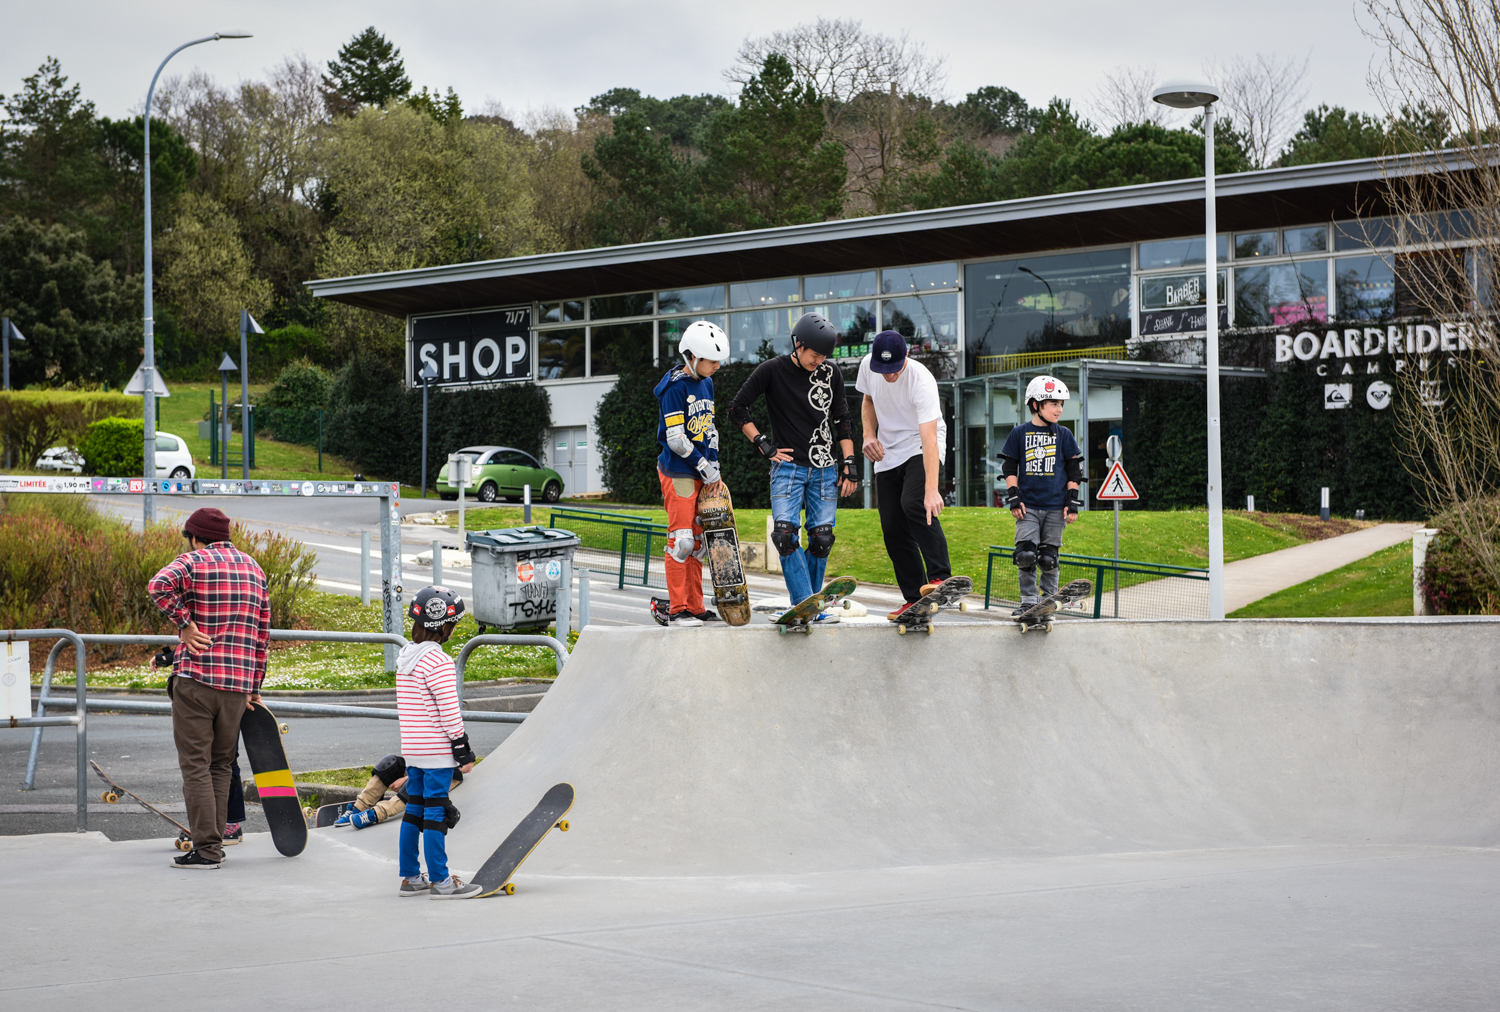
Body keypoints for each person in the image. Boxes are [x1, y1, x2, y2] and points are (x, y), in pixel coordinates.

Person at [148, 506, 270, 870]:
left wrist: (184, 624)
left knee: (196, 767)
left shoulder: (193, 561)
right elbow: (263, 636)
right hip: (237, 688)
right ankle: (215, 844)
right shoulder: (254, 569)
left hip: (196, 681)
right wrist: (255, 686)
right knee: (220, 765)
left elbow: (158, 585)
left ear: (195, 536)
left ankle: (206, 850)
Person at [727, 312, 859, 617]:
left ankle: (809, 606)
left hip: (825, 468)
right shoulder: (772, 370)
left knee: (822, 539)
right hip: (787, 468)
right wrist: (763, 444)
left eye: (824, 356)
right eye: (814, 355)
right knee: (784, 535)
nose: (819, 361)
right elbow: (737, 408)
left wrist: (849, 463)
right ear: (798, 345)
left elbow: (842, 419)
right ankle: (807, 604)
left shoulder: (832, 374)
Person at [855, 331, 953, 621]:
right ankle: (914, 598)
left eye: (895, 370)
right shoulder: (868, 366)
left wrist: (932, 490)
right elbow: (868, 401)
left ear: (906, 358)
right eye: (883, 370)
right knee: (892, 527)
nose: (889, 376)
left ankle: (940, 577)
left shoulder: (921, 380)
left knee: (914, 502)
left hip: (921, 444)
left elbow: (930, 438)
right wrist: (868, 435)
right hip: (888, 450)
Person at [395, 585, 478, 898]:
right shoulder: (438, 662)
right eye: (453, 624)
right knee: (436, 813)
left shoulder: (406, 657)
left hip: (414, 751)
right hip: (437, 751)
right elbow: (448, 709)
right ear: (443, 626)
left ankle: (410, 877)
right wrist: (462, 749)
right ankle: (441, 881)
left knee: (414, 810)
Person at [651, 320, 730, 627]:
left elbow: (708, 428)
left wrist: (715, 466)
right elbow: (676, 439)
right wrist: (702, 466)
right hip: (678, 470)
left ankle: (696, 606)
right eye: (712, 360)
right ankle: (677, 609)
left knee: (698, 546)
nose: (718, 366)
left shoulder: (706, 382)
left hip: (702, 470)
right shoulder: (674, 387)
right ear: (693, 357)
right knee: (681, 541)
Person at [998, 375, 1084, 614]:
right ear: (1036, 405)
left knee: (1048, 558)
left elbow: (1073, 471)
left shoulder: (1064, 434)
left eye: (1061, 404)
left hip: (1056, 507)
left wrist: (1072, 502)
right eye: (1054, 403)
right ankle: (1028, 601)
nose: (1059, 409)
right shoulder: (1019, 433)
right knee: (1025, 555)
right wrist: (1014, 497)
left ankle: (1048, 601)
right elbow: (1009, 467)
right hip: (1028, 507)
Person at [333, 753, 463, 830]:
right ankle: (359, 807)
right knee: (389, 762)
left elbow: (455, 764)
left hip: (446, 774)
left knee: (415, 783)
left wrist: (407, 778)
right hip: (421, 767)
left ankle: (374, 814)